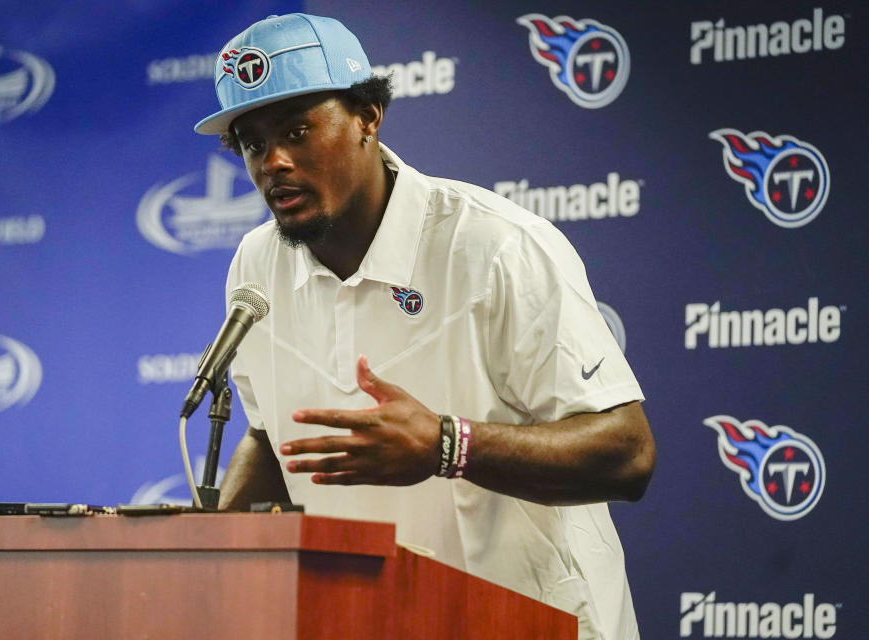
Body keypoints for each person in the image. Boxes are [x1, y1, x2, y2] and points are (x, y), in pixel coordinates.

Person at [194, 13, 655, 640]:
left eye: (298, 131)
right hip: (375, 618)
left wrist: (447, 444)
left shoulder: (496, 246)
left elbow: (627, 453)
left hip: (527, 619)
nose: (273, 161)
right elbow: (273, 440)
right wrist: (199, 550)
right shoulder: (256, 263)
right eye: (252, 143)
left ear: (367, 118)